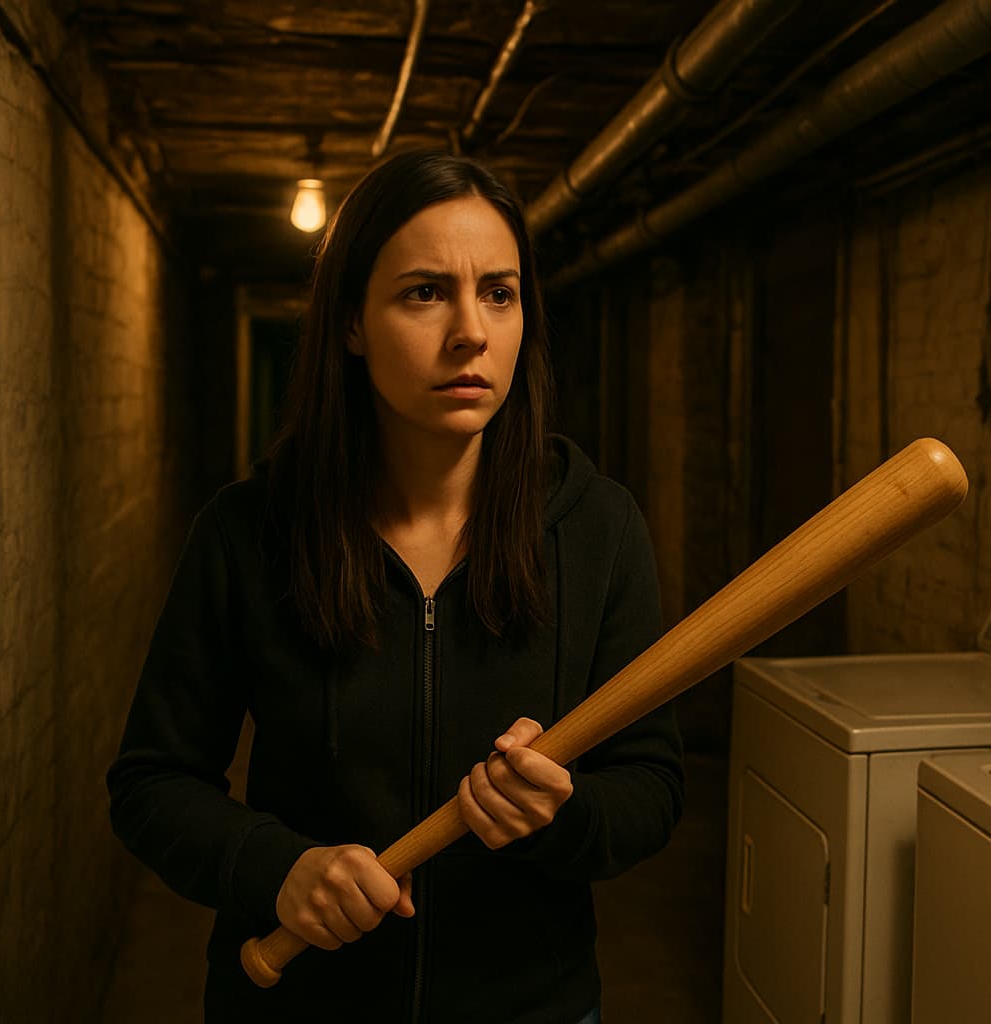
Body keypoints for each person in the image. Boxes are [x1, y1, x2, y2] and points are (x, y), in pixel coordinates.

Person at [107, 150, 683, 1024]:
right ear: (349, 322)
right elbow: (153, 784)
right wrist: (278, 870)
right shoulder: (248, 533)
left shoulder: (597, 528)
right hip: (298, 1005)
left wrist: (564, 815)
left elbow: (651, 785)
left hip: (531, 1006)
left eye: (499, 292)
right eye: (424, 293)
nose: (472, 333)